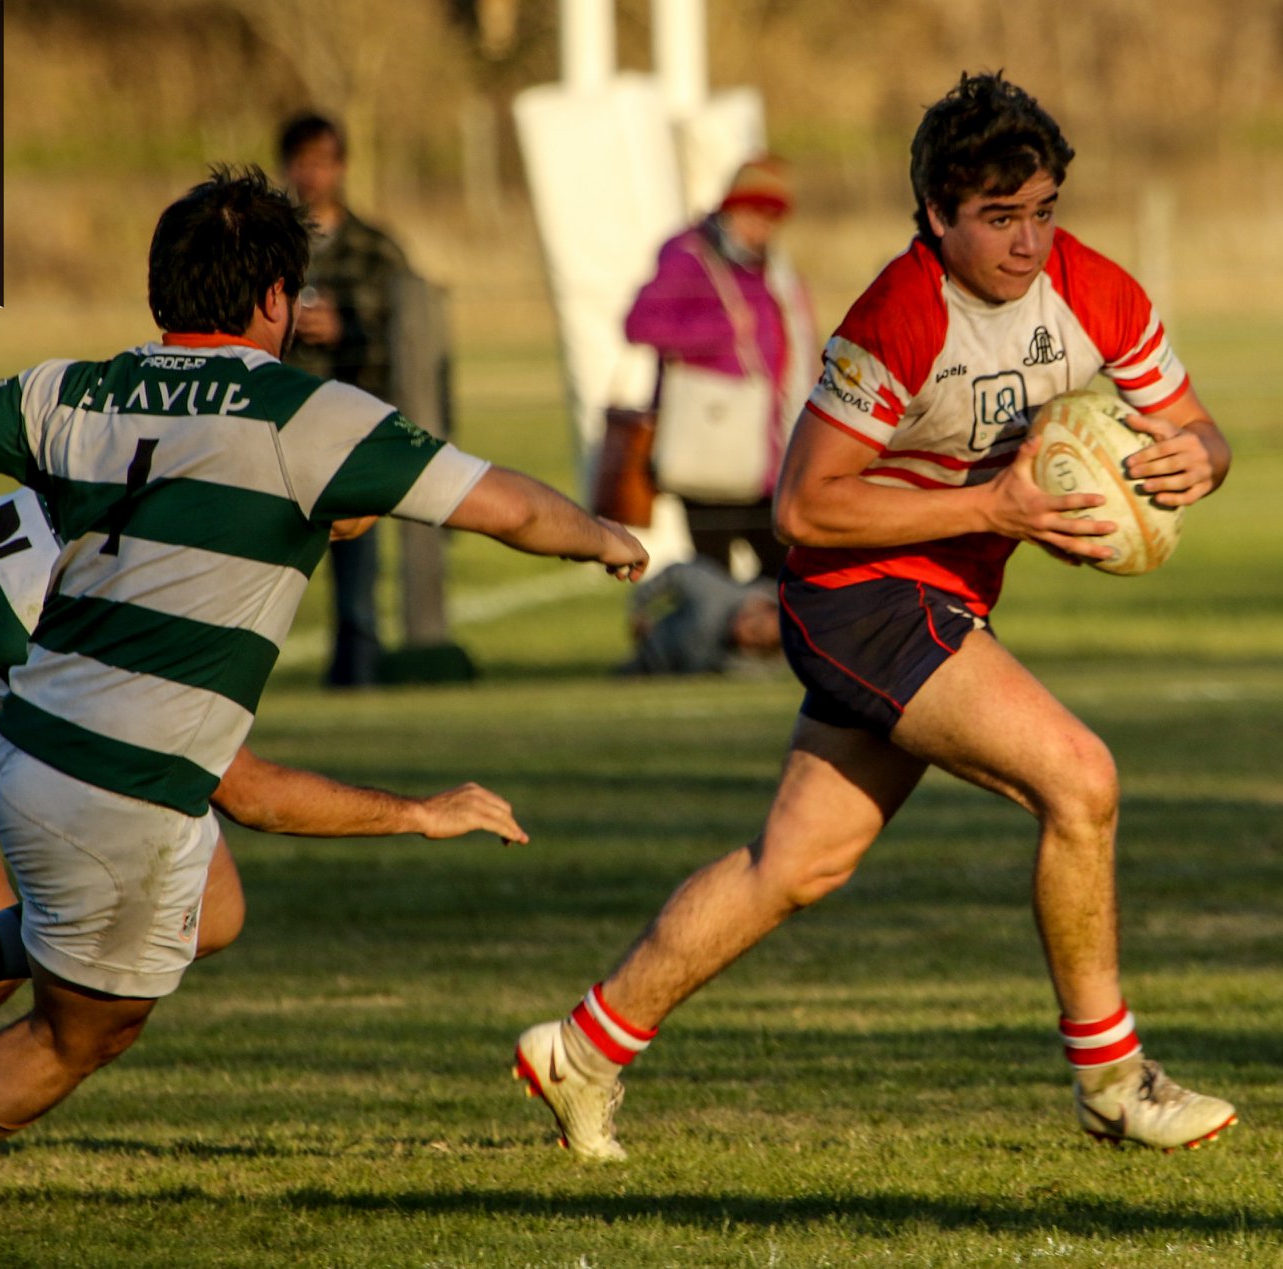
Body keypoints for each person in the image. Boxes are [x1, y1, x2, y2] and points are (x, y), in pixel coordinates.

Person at [0, 165, 645, 1234]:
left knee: (192, 908)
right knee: (79, 1028)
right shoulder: (254, 461)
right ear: (277, 299)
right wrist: (416, 811)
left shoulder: (88, 420)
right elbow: (238, 782)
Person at [513, 73, 1235, 1161]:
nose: (1028, 242)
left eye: (1042, 211)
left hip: (938, 601)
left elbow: (1201, 428)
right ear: (938, 215)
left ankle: (582, 1049)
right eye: (999, 219)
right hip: (860, 598)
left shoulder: (1093, 289)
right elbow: (806, 505)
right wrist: (995, 504)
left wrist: (1203, 459)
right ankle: (1113, 1078)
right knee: (1080, 782)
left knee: (795, 866)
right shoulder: (899, 317)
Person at [0, 489, 528, 1216]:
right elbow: (246, 792)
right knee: (84, 1013)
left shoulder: (121, 457)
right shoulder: (157, 574)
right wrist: (418, 813)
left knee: (141, 909)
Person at [280, 112, 423, 688]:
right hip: (281, 420)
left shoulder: (376, 250)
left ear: (341, 167)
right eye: (302, 161)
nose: (312, 174)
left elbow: (409, 339)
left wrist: (347, 331)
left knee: (357, 555)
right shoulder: (270, 246)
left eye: (323, 161)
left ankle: (357, 668)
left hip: (351, 420)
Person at [624, 156, 818, 579]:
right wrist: (722, 330)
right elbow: (639, 324)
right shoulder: (688, 255)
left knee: (784, 571)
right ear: (730, 206)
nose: (762, 226)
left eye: (771, 217)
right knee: (716, 576)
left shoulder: (771, 267)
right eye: (753, 212)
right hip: (709, 440)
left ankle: (767, 646)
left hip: (768, 447)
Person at [617, 558, 781, 677]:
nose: (751, 640)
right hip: (650, 658)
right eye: (756, 630)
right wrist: (640, 610)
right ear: (758, 607)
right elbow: (676, 573)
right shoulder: (714, 593)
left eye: (760, 645)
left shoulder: (735, 661)